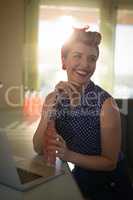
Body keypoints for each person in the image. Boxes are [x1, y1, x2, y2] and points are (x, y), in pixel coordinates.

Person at [33, 27, 133, 200]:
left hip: (110, 185)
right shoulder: (53, 98)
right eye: (77, 56)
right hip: (79, 177)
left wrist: (67, 155)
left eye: (91, 59)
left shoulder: (107, 104)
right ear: (64, 61)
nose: (85, 64)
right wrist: (49, 112)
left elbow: (110, 163)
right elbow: (38, 148)